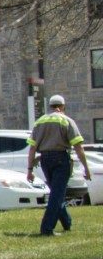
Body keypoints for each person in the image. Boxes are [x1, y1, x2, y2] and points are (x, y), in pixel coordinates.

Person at [26, 93, 92, 236]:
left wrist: (30, 170)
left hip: (44, 160)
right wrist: (86, 168)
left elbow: (32, 148)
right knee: (56, 195)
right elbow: (78, 147)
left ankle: (67, 223)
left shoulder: (39, 122)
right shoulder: (66, 120)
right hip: (61, 158)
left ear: (50, 107)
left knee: (57, 193)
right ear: (62, 106)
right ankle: (46, 229)